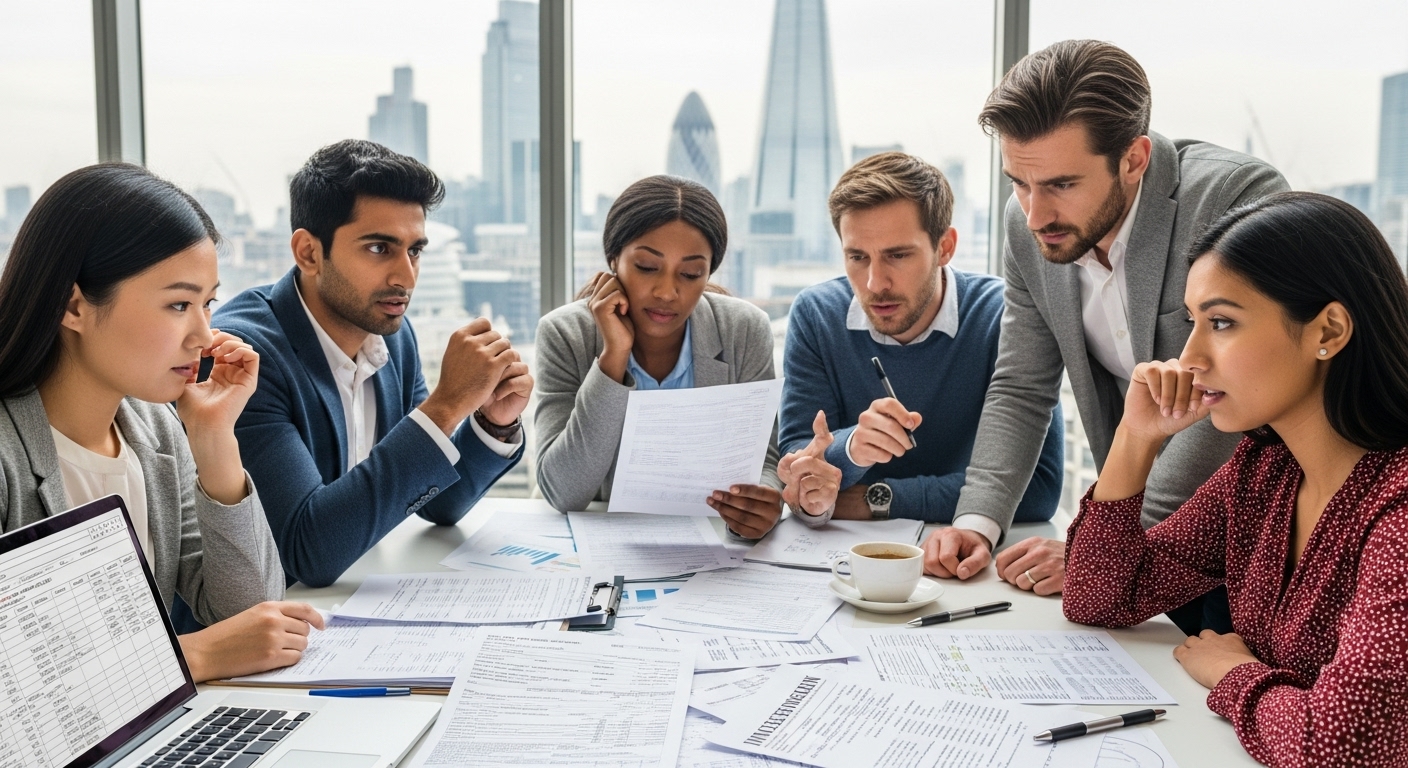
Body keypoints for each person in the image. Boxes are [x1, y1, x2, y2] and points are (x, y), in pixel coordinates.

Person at [926, 40, 1289, 618]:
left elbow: (1236, 390)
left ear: (1134, 159)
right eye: (1019, 182)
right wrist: (978, 520)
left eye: (1061, 185)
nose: (1034, 214)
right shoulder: (1030, 231)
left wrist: (1103, 544)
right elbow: (1022, 386)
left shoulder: (1233, 200)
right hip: (1138, 546)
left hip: (1256, 541)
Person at [1064, 192, 1408, 766]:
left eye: (1221, 322)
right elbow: (1100, 596)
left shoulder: (1397, 512)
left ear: (1328, 330)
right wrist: (1136, 438)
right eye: (1193, 322)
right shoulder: (1262, 472)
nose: (1190, 356)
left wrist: (1237, 674)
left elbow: (1343, 749)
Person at [0, 163, 321, 682]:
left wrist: (214, 439)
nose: (203, 335)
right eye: (178, 304)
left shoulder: (156, 431)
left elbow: (252, 618)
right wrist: (193, 656)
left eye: (207, 303)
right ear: (73, 305)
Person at [214, 140, 531, 587]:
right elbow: (308, 551)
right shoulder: (245, 356)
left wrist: (492, 423)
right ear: (308, 252)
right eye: (380, 248)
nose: (406, 277)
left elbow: (436, 500)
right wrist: (445, 405)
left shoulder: (392, 335)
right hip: (262, 625)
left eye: (415, 250)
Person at [777, 152, 1063, 525]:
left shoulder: (1006, 314)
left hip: (969, 545)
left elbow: (1039, 489)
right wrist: (852, 449)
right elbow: (798, 465)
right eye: (858, 257)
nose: (875, 283)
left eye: (898, 255)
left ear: (945, 247)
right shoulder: (816, 314)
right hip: (851, 552)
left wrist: (880, 500)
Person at [535, 175, 792, 539]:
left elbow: (763, 459)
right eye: (646, 267)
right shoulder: (565, 334)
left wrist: (765, 500)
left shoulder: (743, 329)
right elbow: (564, 491)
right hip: (603, 546)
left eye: (690, 274)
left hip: (710, 543)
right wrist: (613, 358)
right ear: (614, 260)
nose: (668, 292)